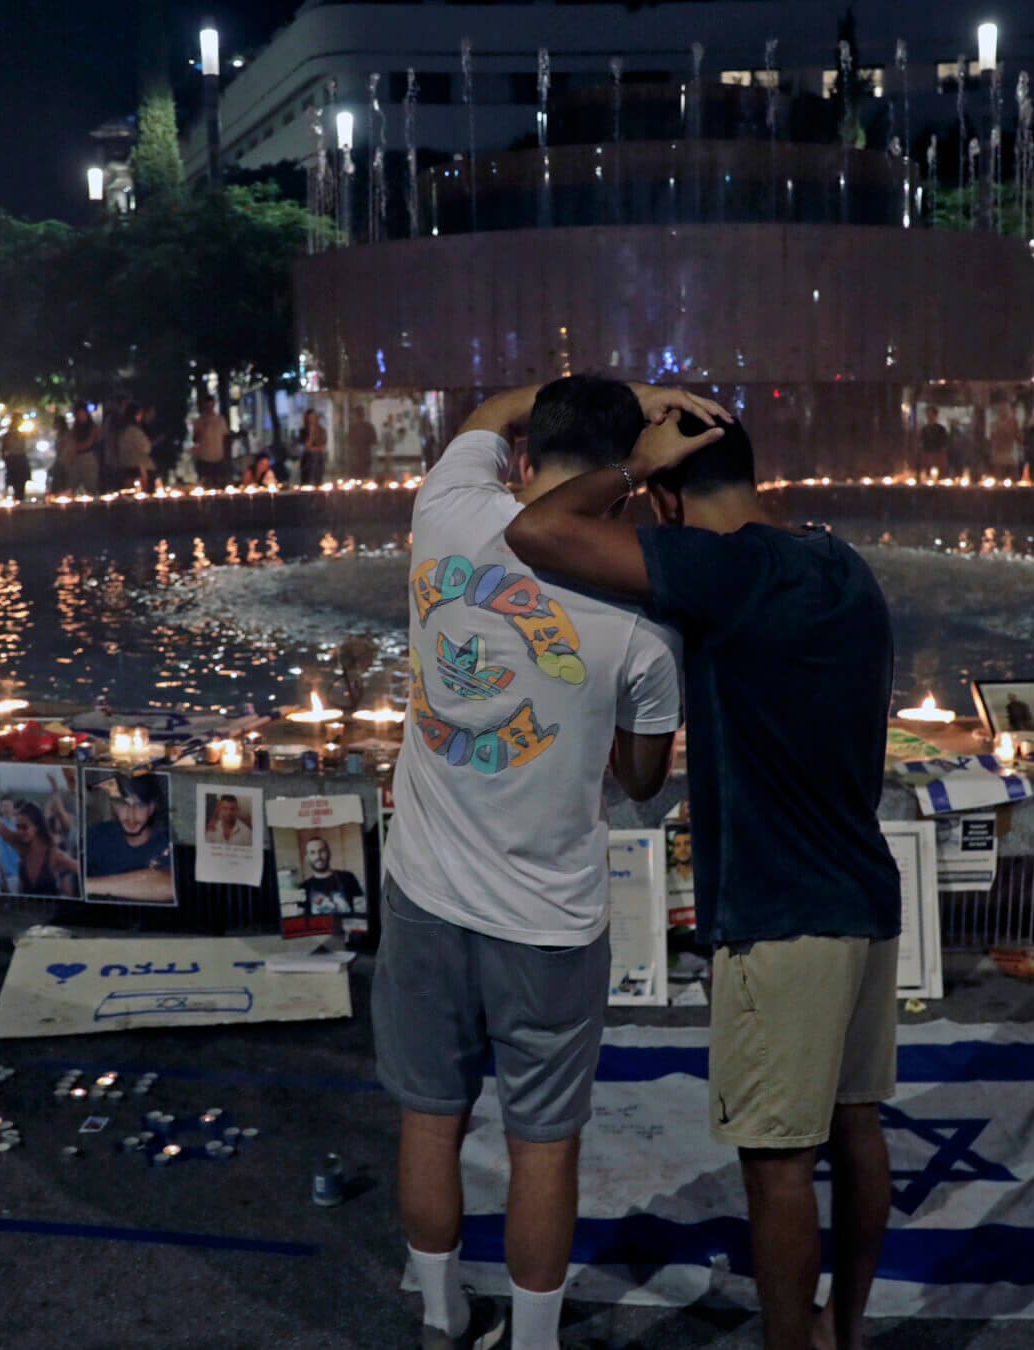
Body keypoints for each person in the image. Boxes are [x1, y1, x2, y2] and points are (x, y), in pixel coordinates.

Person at [504, 407, 899, 1350]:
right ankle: (842, 1330)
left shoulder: (732, 574)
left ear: (672, 499)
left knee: (776, 1164)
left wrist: (632, 465)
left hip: (778, 913)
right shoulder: (844, 567)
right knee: (856, 1130)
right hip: (864, 898)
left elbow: (538, 535)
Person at [374, 375, 693, 1350]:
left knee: (430, 1117)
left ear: (524, 455)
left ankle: (438, 1315)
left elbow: (476, 417)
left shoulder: (446, 508)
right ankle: (538, 1340)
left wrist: (631, 391)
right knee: (542, 1143)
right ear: (626, 486)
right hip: (548, 921)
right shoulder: (642, 615)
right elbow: (642, 782)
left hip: (423, 890)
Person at [84, 770, 175, 902]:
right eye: (123, 804)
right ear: (114, 805)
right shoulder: (97, 835)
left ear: (151, 808)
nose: (131, 815)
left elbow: (170, 887)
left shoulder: (166, 843)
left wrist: (86, 885)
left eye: (139, 806)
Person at [0, 796, 81, 897]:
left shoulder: (54, 855)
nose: (20, 831)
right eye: (18, 827)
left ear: (36, 827)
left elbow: (81, 868)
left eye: (24, 827)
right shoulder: (23, 854)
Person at [297, 835, 366, 917]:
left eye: (321, 851)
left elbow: (362, 911)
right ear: (307, 857)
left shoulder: (348, 877)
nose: (318, 856)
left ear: (329, 853)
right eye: (312, 852)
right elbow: (300, 918)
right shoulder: (304, 887)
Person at [190, 395, 230, 487]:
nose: (209, 408)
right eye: (207, 405)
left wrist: (226, 455)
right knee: (205, 483)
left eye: (211, 405)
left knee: (218, 482)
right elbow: (195, 439)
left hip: (218, 456)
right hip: (204, 457)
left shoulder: (220, 420)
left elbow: (225, 438)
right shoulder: (199, 421)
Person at [113, 402, 152, 492]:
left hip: (125, 468)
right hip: (138, 469)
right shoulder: (135, 432)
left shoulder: (122, 432)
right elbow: (146, 448)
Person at [0, 417, 31, 501]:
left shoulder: (22, 435)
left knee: (21, 482)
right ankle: (17, 498)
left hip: (20, 458)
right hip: (13, 459)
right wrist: (6, 460)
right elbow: (3, 449)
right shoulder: (8, 435)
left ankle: (20, 498)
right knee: (15, 482)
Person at [299, 408, 329, 485]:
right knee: (306, 482)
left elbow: (323, 447)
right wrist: (311, 435)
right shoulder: (303, 431)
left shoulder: (321, 430)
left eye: (313, 417)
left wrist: (311, 449)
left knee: (318, 481)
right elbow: (305, 447)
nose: (311, 419)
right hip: (307, 462)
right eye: (309, 417)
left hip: (318, 461)